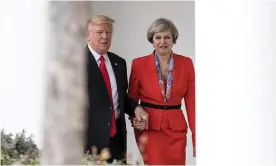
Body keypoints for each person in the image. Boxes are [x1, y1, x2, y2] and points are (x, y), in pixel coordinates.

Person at [128, 18, 196, 165]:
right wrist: (135, 120)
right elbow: (131, 101)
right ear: (152, 40)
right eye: (158, 37)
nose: (162, 42)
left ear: (173, 39)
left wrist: (197, 139)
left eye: (167, 37)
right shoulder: (138, 64)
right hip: (150, 129)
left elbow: (192, 104)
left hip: (176, 130)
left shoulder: (186, 63)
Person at [84, 15, 148, 163]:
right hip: (90, 142)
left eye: (108, 32)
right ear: (88, 36)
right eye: (100, 32)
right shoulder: (77, 63)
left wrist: (136, 108)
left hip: (117, 140)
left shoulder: (119, 63)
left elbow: (119, 96)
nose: (105, 36)